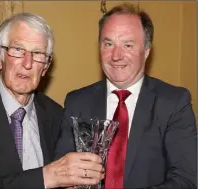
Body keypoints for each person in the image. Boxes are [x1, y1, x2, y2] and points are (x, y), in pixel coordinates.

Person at [55, 3, 197, 189]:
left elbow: (186, 180)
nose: (116, 55)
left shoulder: (174, 103)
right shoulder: (77, 101)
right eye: (108, 44)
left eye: (127, 45)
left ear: (146, 51)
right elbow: (61, 173)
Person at [0, 13, 104, 189]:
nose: (27, 63)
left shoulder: (57, 114)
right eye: (18, 50)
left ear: (45, 67)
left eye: (38, 53)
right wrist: (47, 177)